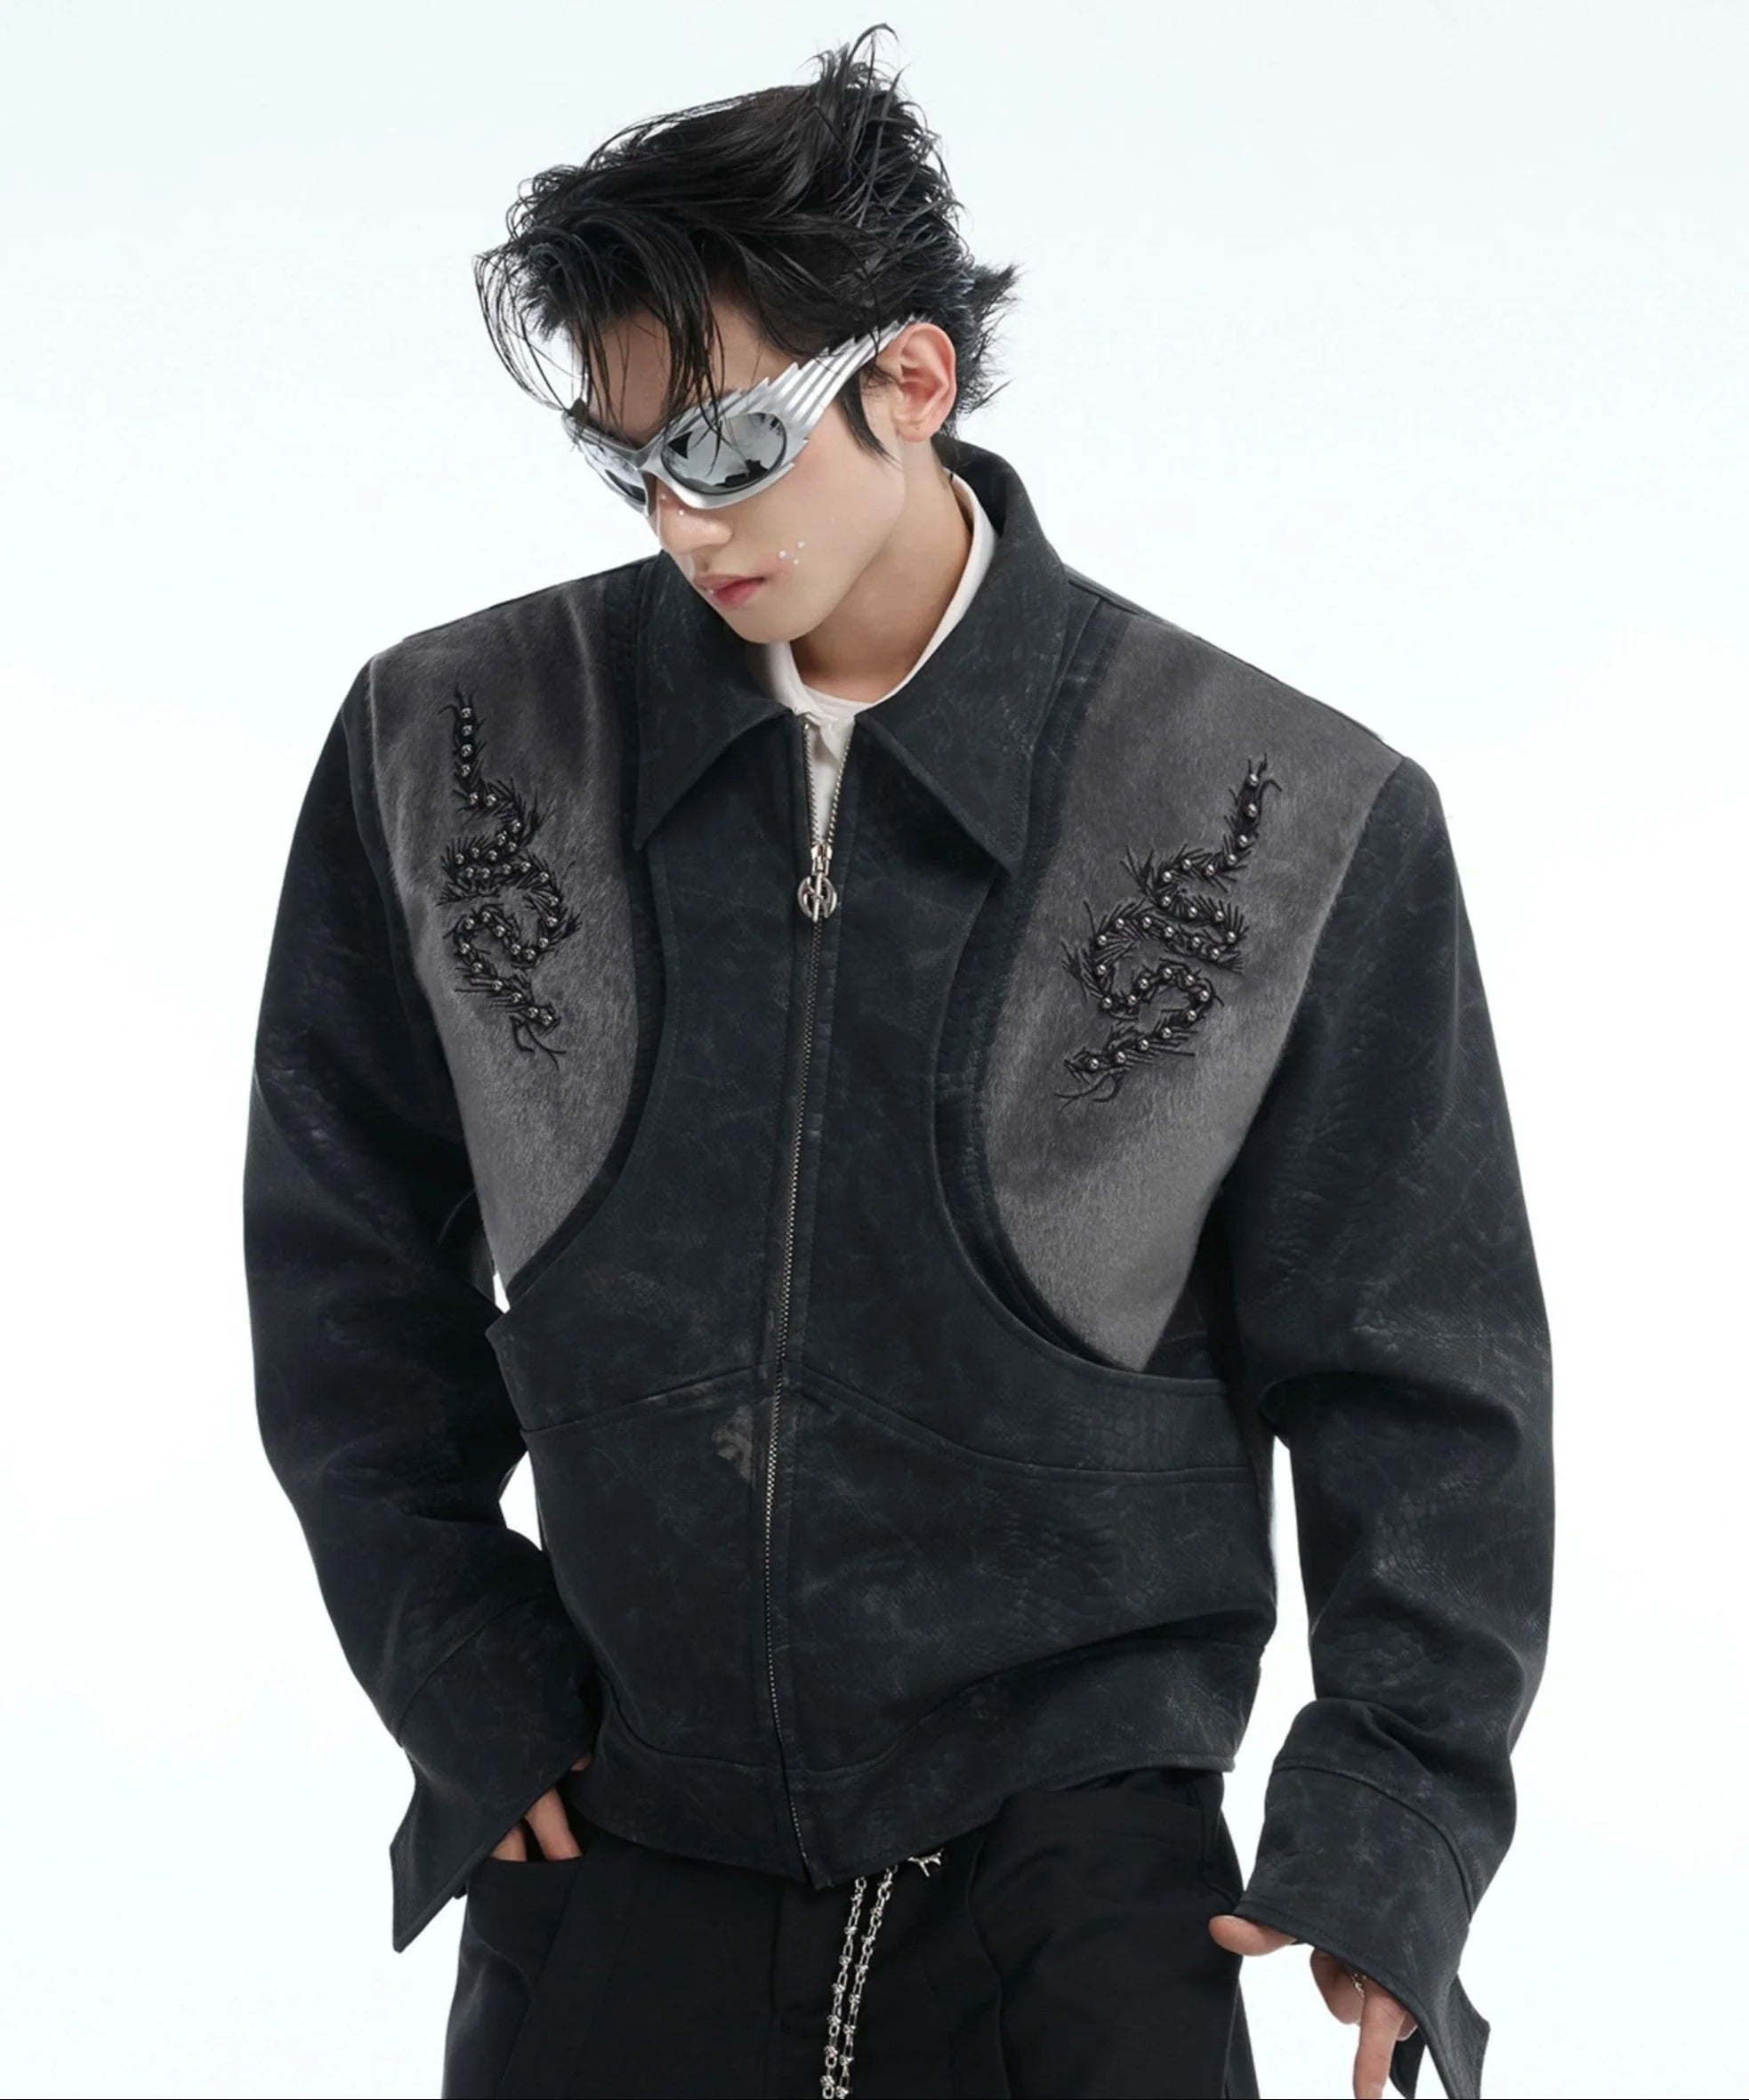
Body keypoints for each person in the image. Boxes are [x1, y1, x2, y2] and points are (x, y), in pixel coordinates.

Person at [242, 24, 1553, 2100]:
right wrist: (466, 1682)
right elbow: (342, 1272)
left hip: (1079, 1876)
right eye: (626, 455)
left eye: (728, 444)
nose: (682, 518)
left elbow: (1420, 1383)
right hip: (619, 1829)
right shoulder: (455, 741)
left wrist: (1388, 1833)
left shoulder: (1282, 810)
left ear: (910, 378)